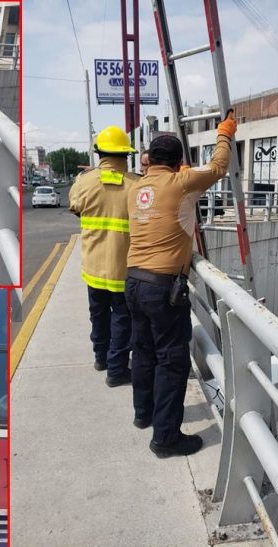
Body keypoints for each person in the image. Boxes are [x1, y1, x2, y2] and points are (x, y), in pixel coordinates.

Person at [125, 111, 237, 458]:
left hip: (133, 281)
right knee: (172, 360)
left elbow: (164, 195)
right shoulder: (181, 183)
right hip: (163, 288)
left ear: (150, 160)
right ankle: (166, 438)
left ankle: (143, 414)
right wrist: (224, 133)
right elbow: (218, 167)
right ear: (178, 163)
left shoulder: (138, 187)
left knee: (143, 351)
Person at [69, 126, 139, 387]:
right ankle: (117, 369)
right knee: (123, 318)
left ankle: (101, 358)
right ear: (126, 155)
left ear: (99, 153)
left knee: (98, 313)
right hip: (124, 268)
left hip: (93, 266)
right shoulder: (137, 184)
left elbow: (76, 209)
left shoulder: (82, 182)